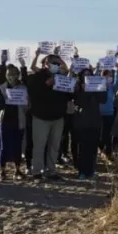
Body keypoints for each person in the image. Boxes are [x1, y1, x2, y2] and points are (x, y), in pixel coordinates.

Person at [27, 51, 73, 180]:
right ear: (46, 64)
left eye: (58, 64)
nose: (56, 66)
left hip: (58, 117)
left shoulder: (62, 78)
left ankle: (51, 171)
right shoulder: (37, 76)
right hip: (40, 117)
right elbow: (32, 93)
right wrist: (46, 84)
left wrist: (71, 86)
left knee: (54, 146)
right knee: (39, 145)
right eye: (54, 63)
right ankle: (37, 171)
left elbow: (69, 96)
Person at [73, 68, 108, 181]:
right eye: (85, 75)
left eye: (89, 74)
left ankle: (91, 171)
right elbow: (78, 102)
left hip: (95, 121)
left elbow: (103, 99)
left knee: (93, 148)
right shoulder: (78, 87)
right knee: (83, 148)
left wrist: (102, 87)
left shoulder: (97, 86)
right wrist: (84, 91)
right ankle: (82, 172)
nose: (87, 76)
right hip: (82, 122)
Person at [0, 61, 29, 181]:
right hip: (5, 121)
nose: (12, 76)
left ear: (18, 74)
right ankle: (2, 171)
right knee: (4, 146)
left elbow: (26, 106)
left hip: (19, 121)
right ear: (6, 75)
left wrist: (25, 102)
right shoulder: (2, 87)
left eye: (14, 74)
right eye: (9, 74)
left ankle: (17, 170)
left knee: (17, 146)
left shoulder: (23, 87)